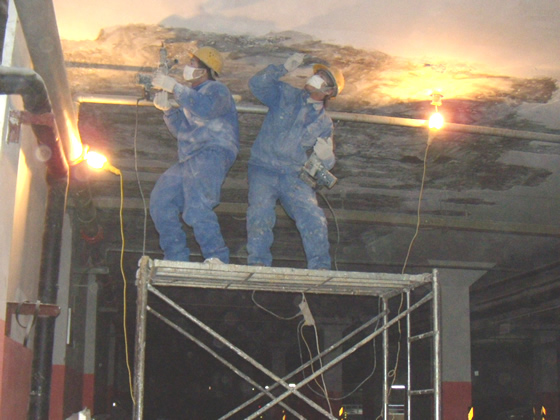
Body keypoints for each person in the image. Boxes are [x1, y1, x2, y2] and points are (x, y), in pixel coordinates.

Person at [246, 52, 344, 270]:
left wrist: (328, 158)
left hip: (294, 174)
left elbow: (321, 166)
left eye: (322, 79)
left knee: (313, 217)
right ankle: (258, 263)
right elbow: (257, 85)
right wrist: (281, 68)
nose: (315, 78)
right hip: (264, 167)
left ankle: (320, 267)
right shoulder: (287, 94)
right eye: (317, 74)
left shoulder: (324, 124)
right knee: (260, 213)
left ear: (328, 92)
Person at [149, 46, 239, 264]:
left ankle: (217, 258)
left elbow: (206, 109)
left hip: (213, 151)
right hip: (189, 157)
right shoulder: (192, 99)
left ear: (205, 71)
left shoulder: (217, 91)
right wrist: (169, 112)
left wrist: (175, 88)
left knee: (197, 208)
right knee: (161, 201)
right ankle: (176, 257)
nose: (188, 68)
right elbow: (182, 132)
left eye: (193, 64)